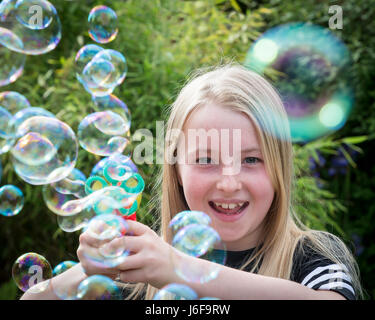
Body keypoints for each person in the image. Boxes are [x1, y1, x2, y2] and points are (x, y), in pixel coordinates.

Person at [21, 63, 363, 300]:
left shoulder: (312, 259)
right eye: (205, 160)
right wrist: (92, 269)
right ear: (176, 171)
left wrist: (178, 268)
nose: (229, 183)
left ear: (279, 169)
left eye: (251, 159)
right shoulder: (143, 278)